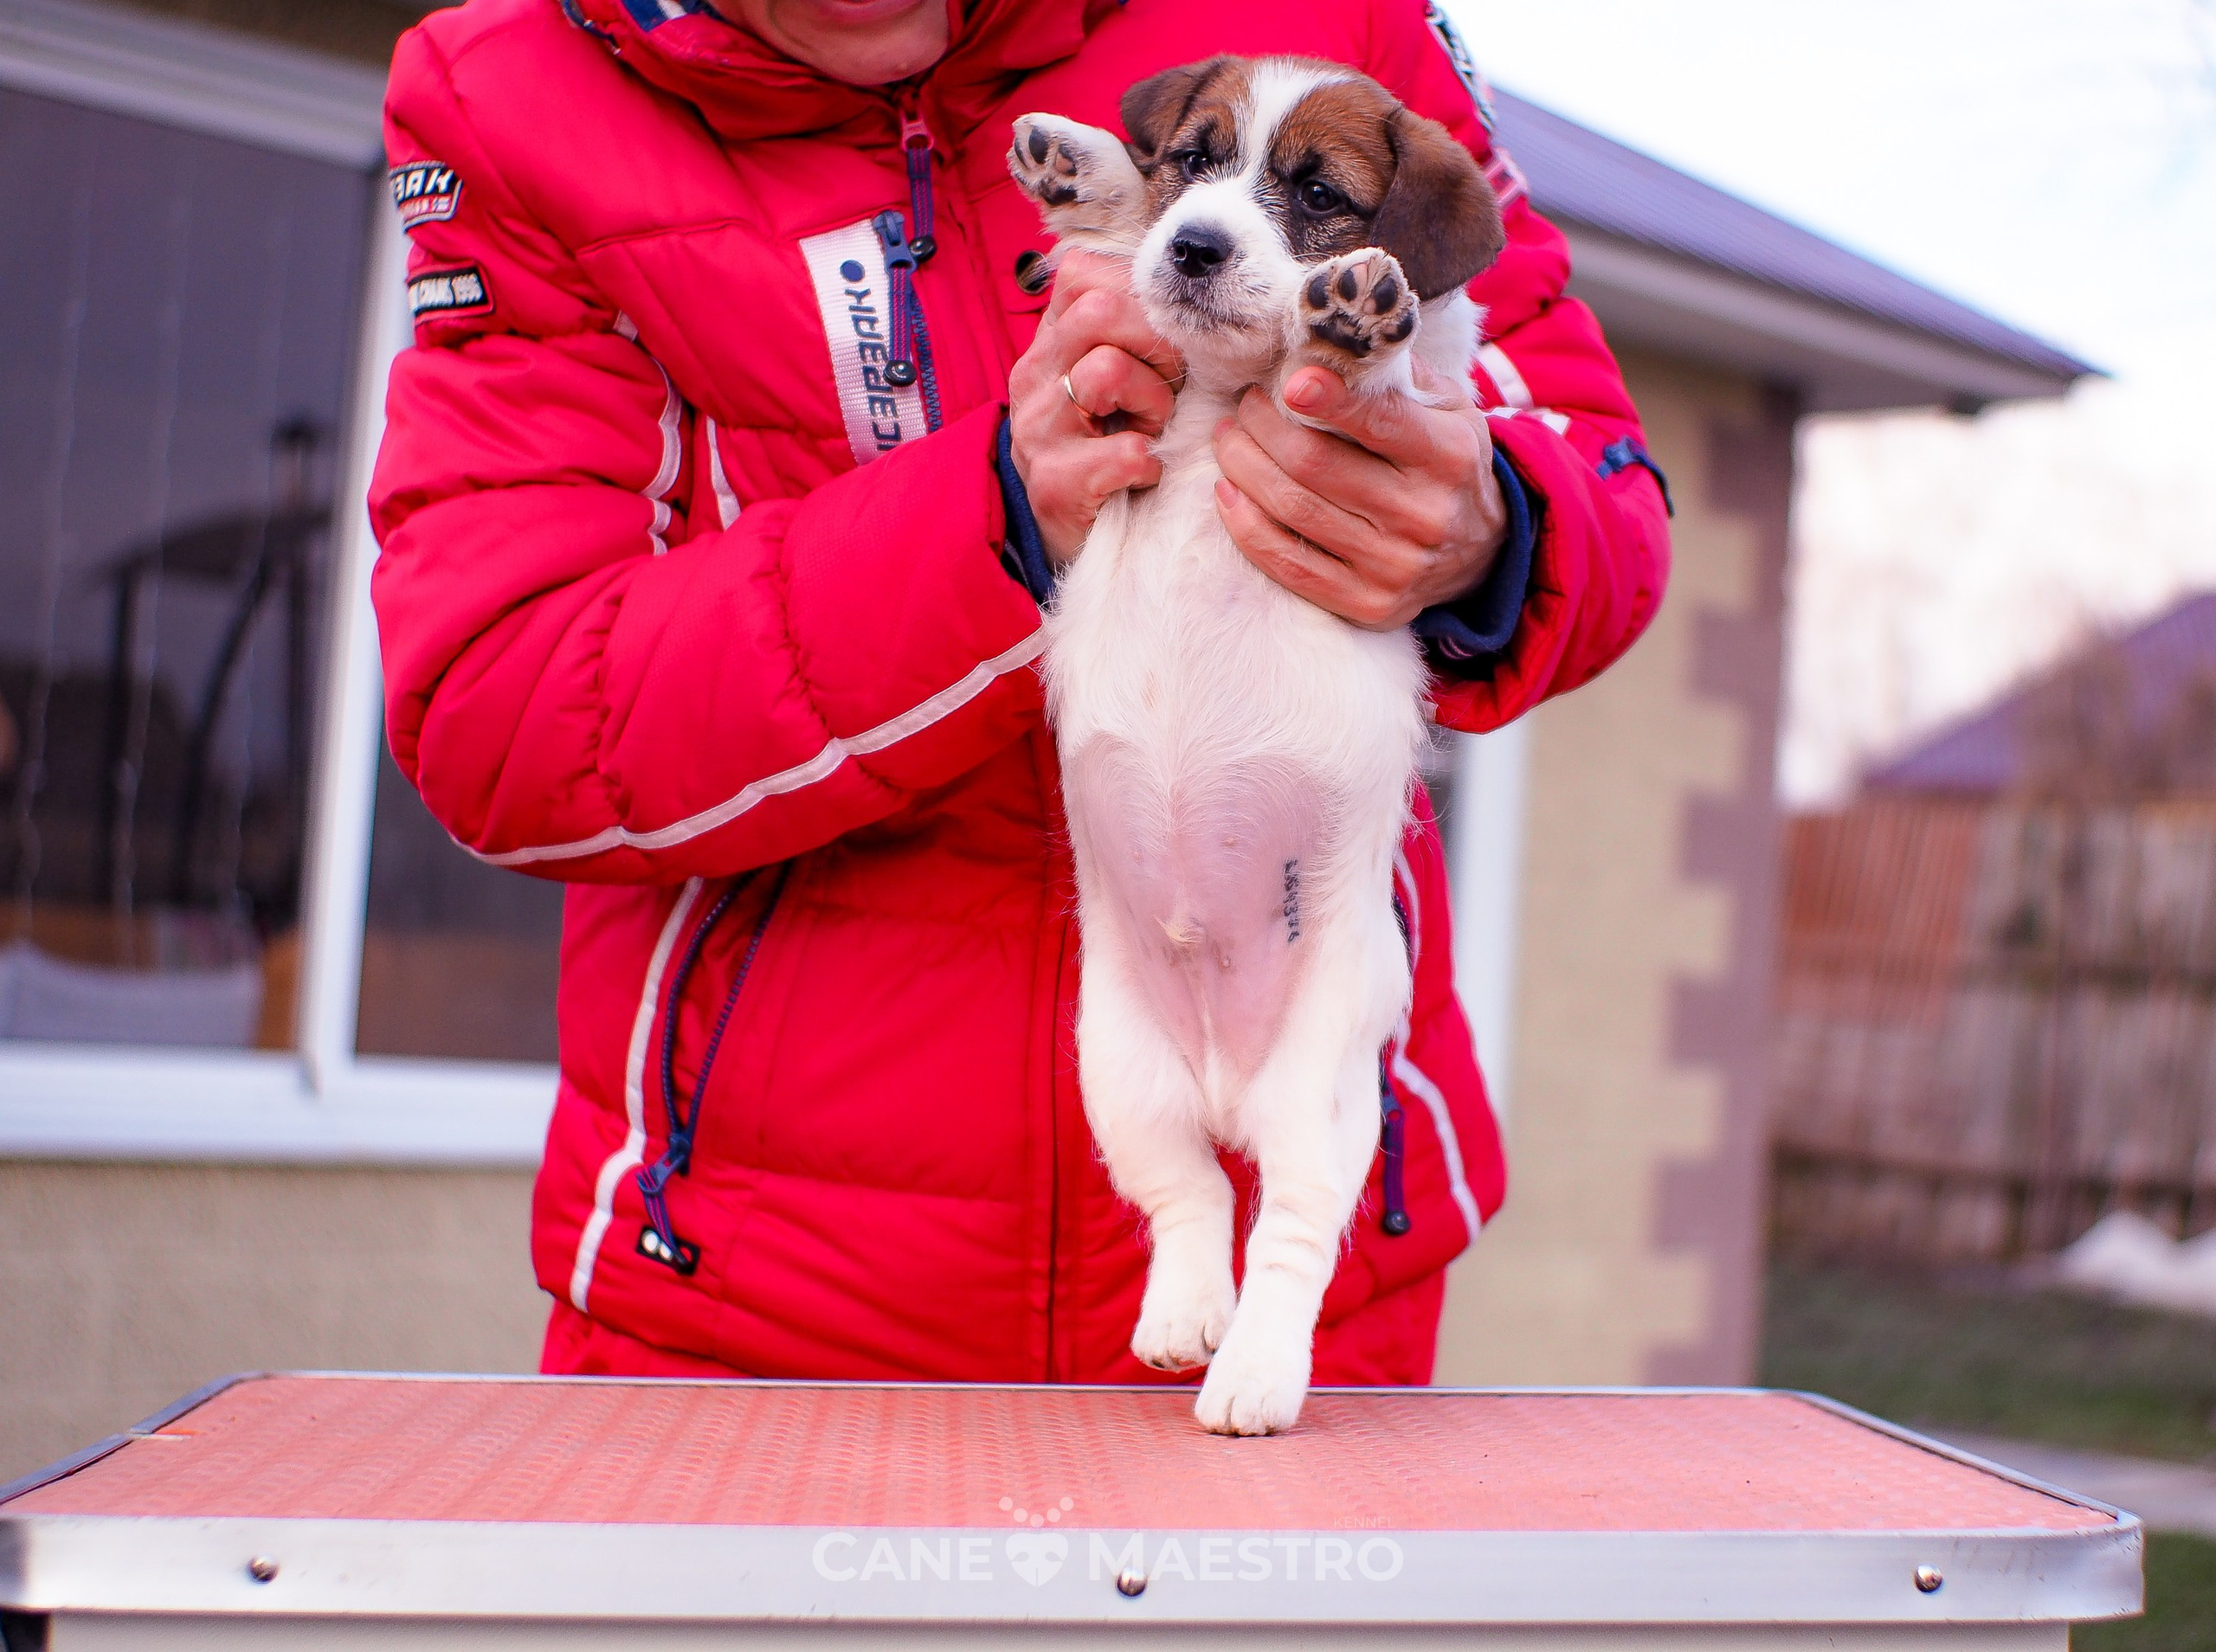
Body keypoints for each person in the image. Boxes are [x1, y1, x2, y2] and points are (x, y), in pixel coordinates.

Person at [370, 0, 1670, 1385]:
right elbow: (499, 707)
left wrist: (1490, 532)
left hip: (1307, 1277)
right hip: (755, 1307)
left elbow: (1589, 469)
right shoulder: (508, 95)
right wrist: (987, 524)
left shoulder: (1322, 21)